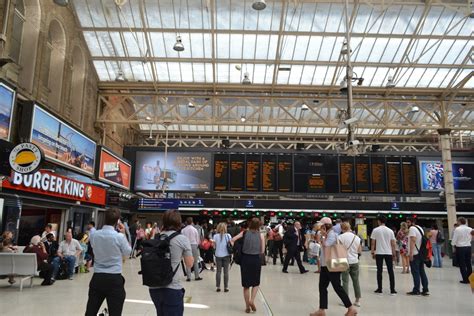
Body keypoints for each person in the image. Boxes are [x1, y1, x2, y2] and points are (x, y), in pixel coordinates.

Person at [85, 209, 131, 316]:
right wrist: (124, 233)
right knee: (115, 312)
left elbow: (93, 246)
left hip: (97, 277)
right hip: (114, 278)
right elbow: (128, 252)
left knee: (90, 311)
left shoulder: (94, 235)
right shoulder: (119, 237)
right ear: (117, 221)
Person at [148, 210, 194, 316]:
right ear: (179, 222)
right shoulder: (182, 239)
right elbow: (189, 264)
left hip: (154, 288)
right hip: (172, 288)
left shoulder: (155, 238)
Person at [310, 217, 357, 316]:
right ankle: (321, 310)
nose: (320, 228)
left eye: (322, 226)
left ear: (326, 226)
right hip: (325, 265)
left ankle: (351, 308)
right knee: (322, 287)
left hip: (332, 265)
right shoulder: (327, 234)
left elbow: (326, 245)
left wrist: (322, 237)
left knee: (337, 287)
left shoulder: (332, 235)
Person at [231, 217, 265, 313]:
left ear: (249, 224)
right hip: (256, 259)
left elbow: (233, 240)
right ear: (259, 225)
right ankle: (252, 300)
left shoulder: (244, 233)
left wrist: (237, 248)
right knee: (256, 283)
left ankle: (247, 306)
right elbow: (262, 251)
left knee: (246, 285)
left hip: (245, 259)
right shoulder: (261, 235)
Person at [370, 215, 397, 295]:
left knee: (379, 271)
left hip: (379, 252)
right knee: (390, 271)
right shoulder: (390, 231)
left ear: (379, 221)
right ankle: (392, 289)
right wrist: (394, 253)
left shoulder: (375, 230)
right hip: (388, 253)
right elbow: (393, 243)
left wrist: (372, 252)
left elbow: (373, 243)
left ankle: (380, 289)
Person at [339, 222, 362, 307]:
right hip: (355, 261)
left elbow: (339, 251)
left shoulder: (340, 237)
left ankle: (345, 300)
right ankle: (357, 300)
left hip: (345, 261)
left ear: (342, 228)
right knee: (356, 281)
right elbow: (359, 251)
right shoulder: (357, 238)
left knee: (345, 281)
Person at [406, 217, 429, 296]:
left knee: (415, 272)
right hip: (421, 253)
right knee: (422, 271)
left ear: (412, 222)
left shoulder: (412, 228)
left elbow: (413, 240)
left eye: (408, 222)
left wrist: (411, 253)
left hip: (415, 253)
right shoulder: (420, 228)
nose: (407, 224)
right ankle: (425, 289)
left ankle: (416, 289)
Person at [451, 217, 473, 284]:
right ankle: (470, 278)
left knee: (462, 264)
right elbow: (472, 237)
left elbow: (454, 240)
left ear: (459, 221)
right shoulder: (470, 229)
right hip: (468, 247)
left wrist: (453, 244)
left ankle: (465, 279)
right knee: (468, 263)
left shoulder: (457, 229)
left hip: (460, 248)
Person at [212, 222, 231, 292]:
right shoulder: (228, 236)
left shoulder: (215, 236)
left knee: (218, 271)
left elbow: (213, 246)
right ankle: (226, 287)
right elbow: (231, 244)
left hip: (218, 255)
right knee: (226, 272)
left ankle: (218, 287)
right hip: (226, 256)